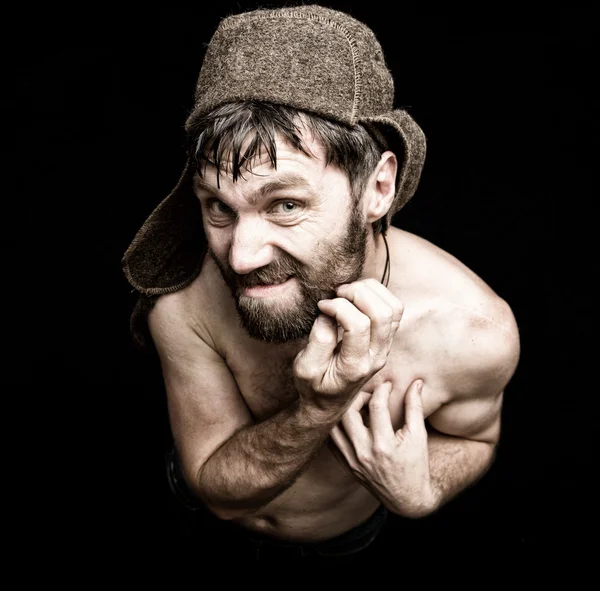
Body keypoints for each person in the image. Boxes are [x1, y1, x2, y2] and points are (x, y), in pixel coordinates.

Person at [121, 4, 520, 570]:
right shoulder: (185, 300)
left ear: (377, 187)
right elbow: (213, 484)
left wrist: (422, 493)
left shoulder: (472, 329)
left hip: (345, 545)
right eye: (217, 207)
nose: (240, 256)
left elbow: (478, 441)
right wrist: (319, 407)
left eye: (285, 204)